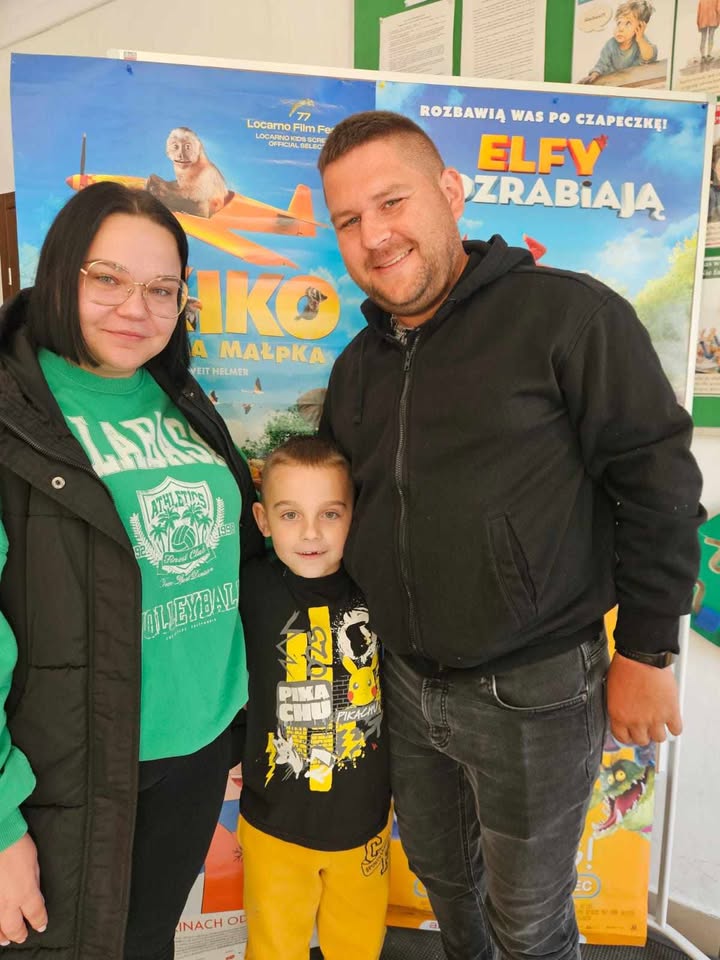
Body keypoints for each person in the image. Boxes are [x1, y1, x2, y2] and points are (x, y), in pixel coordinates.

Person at [316, 110, 704, 960]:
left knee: (529, 919)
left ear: (450, 192)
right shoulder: (356, 367)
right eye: (348, 219)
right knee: (444, 883)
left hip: (538, 690)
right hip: (405, 683)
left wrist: (648, 651)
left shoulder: (568, 316)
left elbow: (659, 484)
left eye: (392, 202)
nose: (374, 236)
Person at [0, 182, 263, 960]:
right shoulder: (15, 415)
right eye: (107, 279)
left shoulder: (175, 395)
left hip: (198, 751)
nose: (136, 309)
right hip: (70, 770)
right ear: (59, 274)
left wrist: (235, 724)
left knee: (147, 942)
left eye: (161, 289)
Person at [238, 435, 391, 960]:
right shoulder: (247, 589)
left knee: (359, 947)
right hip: (274, 826)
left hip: (363, 824)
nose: (310, 533)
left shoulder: (378, 588)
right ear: (263, 520)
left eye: (330, 513)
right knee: (274, 948)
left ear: (355, 516)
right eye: (290, 515)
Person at [578, 1, 657, 84]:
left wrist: (640, 39)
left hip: (633, 82)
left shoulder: (641, 41)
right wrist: (594, 74)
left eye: (628, 23)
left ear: (640, 27)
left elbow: (649, 57)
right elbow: (602, 64)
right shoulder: (611, 45)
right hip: (612, 82)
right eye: (619, 23)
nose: (620, 28)